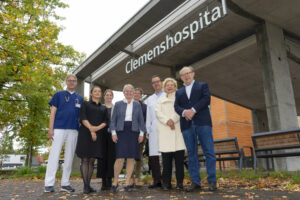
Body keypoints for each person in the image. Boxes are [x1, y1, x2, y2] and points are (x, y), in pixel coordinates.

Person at [174, 66, 217, 192]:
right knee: (191, 154)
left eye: (188, 73)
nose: (186, 76)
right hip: (187, 125)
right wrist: (184, 112)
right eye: (183, 75)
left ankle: (212, 181)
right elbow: (176, 107)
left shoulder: (202, 86)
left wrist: (193, 110)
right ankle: (195, 182)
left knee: (208, 151)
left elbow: (206, 99)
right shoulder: (179, 92)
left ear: (193, 74)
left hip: (202, 122)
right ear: (181, 78)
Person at [44, 74, 84, 193]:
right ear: (66, 82)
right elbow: (53, 113)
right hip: (59, 129)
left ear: (76, 83)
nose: (72, 82)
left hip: (73, 130)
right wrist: (50, 129)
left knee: (69, 157)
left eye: (74, 81)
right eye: (69, 80)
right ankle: (49, 184)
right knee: (54, 156)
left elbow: (81, 117)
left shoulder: (79, 98)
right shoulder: (58, 95)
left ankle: (65, 183)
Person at [110, 84, 146, 192]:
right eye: (126, 91)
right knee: (120, 158)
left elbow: (141, 120)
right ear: (123, 93)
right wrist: (113, 133)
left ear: (133, 93)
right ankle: (115, 181)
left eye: (131, 91)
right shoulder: (118, 104)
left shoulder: (137, 105)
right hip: (121, 131)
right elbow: (113, 120)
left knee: (131, 158)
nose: (129, 93)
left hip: (133, 132)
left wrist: (141, 134)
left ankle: (127, 182)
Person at [75, 86, 108, 194]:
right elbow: (83, 118)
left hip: (98, 136)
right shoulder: (85, 104)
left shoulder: (104, 108)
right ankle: (86, 187)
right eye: (95, 91)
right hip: (85, 134)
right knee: (85, 159)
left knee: (92, 161)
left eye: (99, 91)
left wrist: (96, 129)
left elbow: (106, 121)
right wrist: (92, 130)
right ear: (91, 94)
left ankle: (88, 186)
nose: (97, 93)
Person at [156, 78, 186, 191]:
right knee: (166, 162)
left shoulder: (180, 97)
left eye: (172, 85)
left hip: (177, 131)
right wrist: (167, 121)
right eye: (167, 85)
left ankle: (179, 183)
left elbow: (180, 110)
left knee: (179, 162)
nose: (169, 86)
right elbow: (158, 113)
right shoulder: (160, 99)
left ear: (175, 87)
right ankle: (166, 183)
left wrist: (172, 120)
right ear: (164, 87)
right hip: (165, 131)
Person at [146, 75, 166, 188]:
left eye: (158, 81)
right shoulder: (150, 99)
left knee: (166, 154)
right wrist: (148, 129)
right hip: (153, 128)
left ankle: (165, 180)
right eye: (154, 82)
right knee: (154, 155)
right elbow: (148, 116)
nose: (156, 84)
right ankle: (157, 180)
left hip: (165, 127)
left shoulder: (167, 95)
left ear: (161, 82)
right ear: (152, 85)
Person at [97, 89, 116, 191]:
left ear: (112, 97)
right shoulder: (100, 107)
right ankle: (104, 181)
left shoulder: (115, 108)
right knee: (102, 158)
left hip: (112, 136)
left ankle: (110, 180)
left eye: (110, 95)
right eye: (107, 95)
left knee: (111, 158)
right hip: (102, 135)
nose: (109, 97)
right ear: (104, 97)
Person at [130, 88, 147, 187]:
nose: (136, 95)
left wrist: (142, 133)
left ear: (141, 95)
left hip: (141, 134)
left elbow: (145, 121)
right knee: (130, 156)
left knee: (138, 156)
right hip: (130, 134)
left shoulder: (144, 107)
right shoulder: (128, 105)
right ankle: (130, 178)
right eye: (134, 93)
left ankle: (137, 178)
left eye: (138, 93)